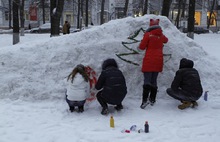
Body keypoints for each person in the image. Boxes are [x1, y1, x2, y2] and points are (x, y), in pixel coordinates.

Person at [138, 19, 168, 109]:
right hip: (158, 61)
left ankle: (144, 101)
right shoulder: (161, 35)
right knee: (154, 80)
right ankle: (152, 99)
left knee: (147, 81)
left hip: (149, 60)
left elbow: (141, 47)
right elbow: (166, 40)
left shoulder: (148, 35)